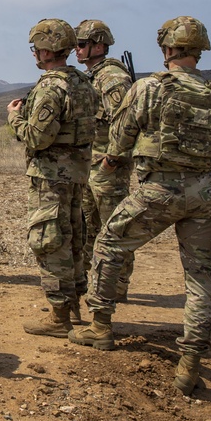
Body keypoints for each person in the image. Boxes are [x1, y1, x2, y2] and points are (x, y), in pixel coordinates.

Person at [69, 16, 211, 396]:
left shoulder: (150, 88)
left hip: (160, 188)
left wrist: (111, 161)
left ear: (166, 50)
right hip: (206, 192)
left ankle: (100, 327)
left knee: (109, 244)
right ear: (199, 50)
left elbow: (122, 133)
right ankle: (189, 364)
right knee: (200, 279)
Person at [7, 19, 97, 337]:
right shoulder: (84, 83)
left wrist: (15, 117)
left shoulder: (50, 86)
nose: (35, 53)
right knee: (72, 239)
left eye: (36, 48)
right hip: (77, 175)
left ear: (47, 50)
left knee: (49, 242)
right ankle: (71, 307)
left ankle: (60, 317)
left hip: (51, 177)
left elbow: (37, 138)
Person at [74, 20, 134, 316]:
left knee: (115, 227)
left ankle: (118, 285)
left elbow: (126, 122)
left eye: (82, 44)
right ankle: (94, 282)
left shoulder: (111, 77)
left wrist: (113, 158)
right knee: (88, 226)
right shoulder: (91, 76)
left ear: (98, 45)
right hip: (91, 164)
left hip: (107, 168)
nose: (77, 50)